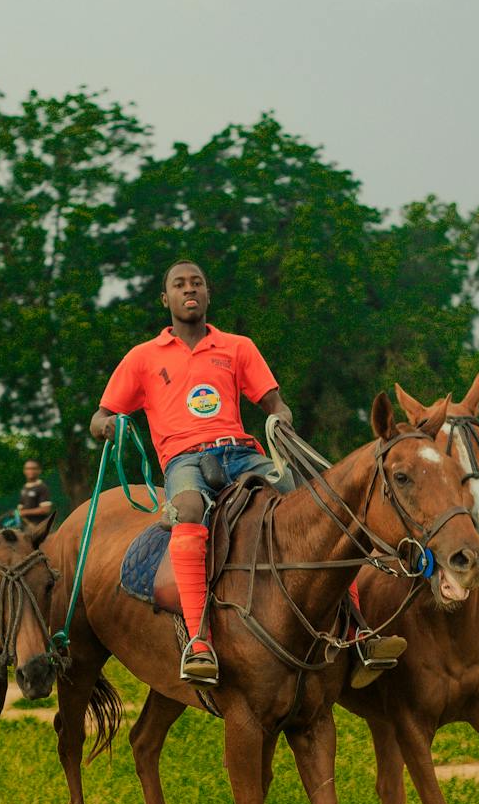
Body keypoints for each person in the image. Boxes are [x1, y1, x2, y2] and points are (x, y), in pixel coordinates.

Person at [90, 258, 404, 685]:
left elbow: (274, 402)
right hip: (185, 461)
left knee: (319, 509)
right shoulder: (143, 358)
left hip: (240, 453)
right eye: (179, 284)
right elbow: (101, 414)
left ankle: (357, 628)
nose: (190, 290)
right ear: (166, 299)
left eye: (197, 283)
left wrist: (281, 417)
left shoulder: (237, 347)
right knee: (185, 509)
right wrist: (106, 424)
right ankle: (199, 639)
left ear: (207, 294)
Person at [16, 459, 54, 527]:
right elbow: (20, 508)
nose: (30, 471)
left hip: (39, 528)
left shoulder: (42, 487)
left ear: (39, 471)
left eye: (33, 468)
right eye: (27, 469)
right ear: (24, 471)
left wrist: (25, 512)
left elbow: (46, 509)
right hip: (26, 528)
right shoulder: (24, 488)